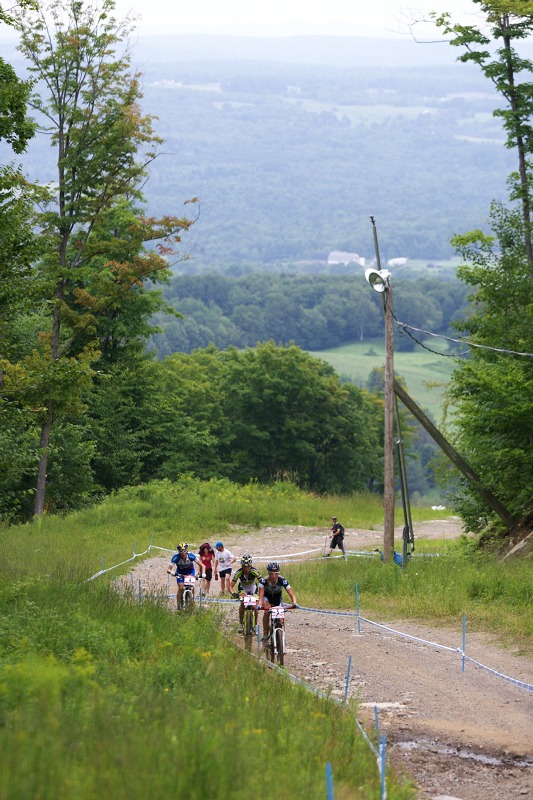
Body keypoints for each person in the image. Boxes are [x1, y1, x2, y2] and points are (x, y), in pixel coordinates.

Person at [257, 561, 297, 642]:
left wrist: (294, 603)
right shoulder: (263, 581)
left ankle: (281, 636)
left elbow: (292, 595)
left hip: (277, 598)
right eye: (271, 573)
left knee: (280, 619)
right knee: (267, 612)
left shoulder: (282, 580)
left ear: (278, 573)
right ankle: (265, 634)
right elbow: (261, 596)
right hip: (266, 598)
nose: (274, 576)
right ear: (268, 573)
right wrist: (260, 604)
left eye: (276, 573)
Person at [230, 554, 262, 634]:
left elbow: (262, 582)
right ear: (242, 566)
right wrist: (233, 593)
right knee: (243, 604)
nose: (246, 569)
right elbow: (230, 586)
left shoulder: (255, 571)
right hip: (243, 588)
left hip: (253, 588)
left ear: (251, 566)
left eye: (248, 567)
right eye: (244, 567)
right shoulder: (239, 572)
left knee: (255, 607)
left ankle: (255, 625)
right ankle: (241, 624)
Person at [167, 542, 201, 609]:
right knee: (181, 588)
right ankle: (178, 606)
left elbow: (201, 564)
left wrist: (199, 573)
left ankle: (192, 600)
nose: (183, 553)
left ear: (187, 550)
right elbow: (168, 569)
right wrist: (172, 572)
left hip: (190, 572)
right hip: (180, 572)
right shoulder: (176, 557)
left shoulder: (191, 556)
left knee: (192, 586)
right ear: (179, 552)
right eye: (181, 551)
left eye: (185, 551)